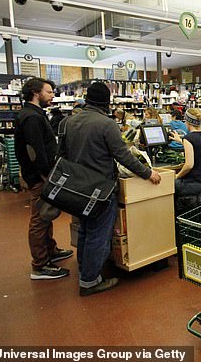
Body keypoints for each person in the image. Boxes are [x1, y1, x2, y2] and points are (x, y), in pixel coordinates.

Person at [61, 82, 161, 296]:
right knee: (99, 233)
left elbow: (63, 154)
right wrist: (147, 173)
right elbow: (123, 155)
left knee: (85, 230)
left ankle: (85, 270)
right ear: (105, 102)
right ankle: (89, 281)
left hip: (77, 187)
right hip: (101, 188)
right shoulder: (106, 124)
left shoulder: (69, 122)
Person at [14, 77, 73, 280]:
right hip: (40, 176)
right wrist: (47, 176)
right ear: (36, 93)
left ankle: (51, 251)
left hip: (43, 174)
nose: (52, 95)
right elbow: (35, 151)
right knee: (39, 218)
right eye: (49, 92)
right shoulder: (31, 117)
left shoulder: (35, 114)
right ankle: (39, 265)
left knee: (47, 214)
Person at [169, 108, 201, 197]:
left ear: (187, 122)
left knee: (168, 184)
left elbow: (189, 165)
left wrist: (177, 176)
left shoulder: (189, 138)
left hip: (194, 184)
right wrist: (180, 141)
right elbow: (198, 147)